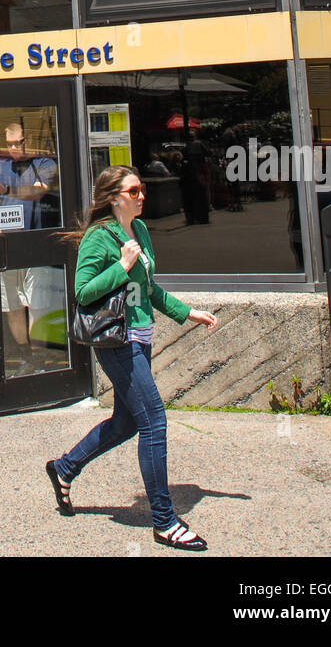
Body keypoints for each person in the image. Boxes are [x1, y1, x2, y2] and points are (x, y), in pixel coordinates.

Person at [46, 165, 217, 550]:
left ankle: (64, 468)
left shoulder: (138, 230)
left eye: (142, 190)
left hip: (142, 336)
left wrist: (188, 312)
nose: (143, 196)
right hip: (117, 342)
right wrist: (122, 265)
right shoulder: (97, 238)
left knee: (125, 423)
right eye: (134, 190)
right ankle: (164, 520)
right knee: (154, 422)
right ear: (114, 197)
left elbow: (150, 288)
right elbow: (83, 292)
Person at [0, 123, 58, 376]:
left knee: (37, 304)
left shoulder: (43, 163)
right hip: (6, 244)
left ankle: (39, 359)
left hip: (34, 243)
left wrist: (9, 190)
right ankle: (26, 357)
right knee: (12, 307)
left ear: (27, 140)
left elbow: (39, 193)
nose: (13, 149)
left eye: (17, 143)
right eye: (8, 144)